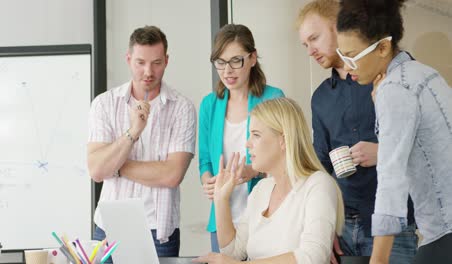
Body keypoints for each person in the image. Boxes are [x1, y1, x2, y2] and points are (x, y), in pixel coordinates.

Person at [297, 1, 417, 263]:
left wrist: (382, 152)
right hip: (343, 229)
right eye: (305, 44)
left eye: (314, 38)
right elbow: (321, 167)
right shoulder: (320, 98)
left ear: (338, 27)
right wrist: (322, 230)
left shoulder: (392, 77)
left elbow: (426, 145)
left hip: (395, 223)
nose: (310, 51)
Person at [336, 0, 452, 263]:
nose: (346, 65)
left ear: (383, 47)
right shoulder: (425, 73)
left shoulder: (394, 90)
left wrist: (377, 260)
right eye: (342, 55)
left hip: (444, 233)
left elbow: (391, 182)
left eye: (352, 55)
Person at [87, 26, 196, 258]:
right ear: (128, 60)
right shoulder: (104, 104)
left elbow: (172, 175)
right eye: (140, 62)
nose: (148, 71)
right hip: (108, 228)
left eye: (156, 62)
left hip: (159, 231)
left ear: (166, 61)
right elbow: (96, 170)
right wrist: (133, 132)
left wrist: (115, 167)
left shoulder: (182, 108)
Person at [194, 97, 344, 263]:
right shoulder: (261, 189)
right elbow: (233, 253)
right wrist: (220, 199)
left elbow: (312, 257)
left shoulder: (318, 185)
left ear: (283, 140)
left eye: (256, 135)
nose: (247, 144)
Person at [198, 24, 284, 252]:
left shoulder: (274, 98)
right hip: (222, 218)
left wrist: (253, 170)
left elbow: (285, 156)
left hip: (265, 215)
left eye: (236, 61)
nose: (228, 71)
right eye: (221, 62)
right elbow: (205, 159)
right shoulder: (209, 104)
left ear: (253, 58)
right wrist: (208, 182)